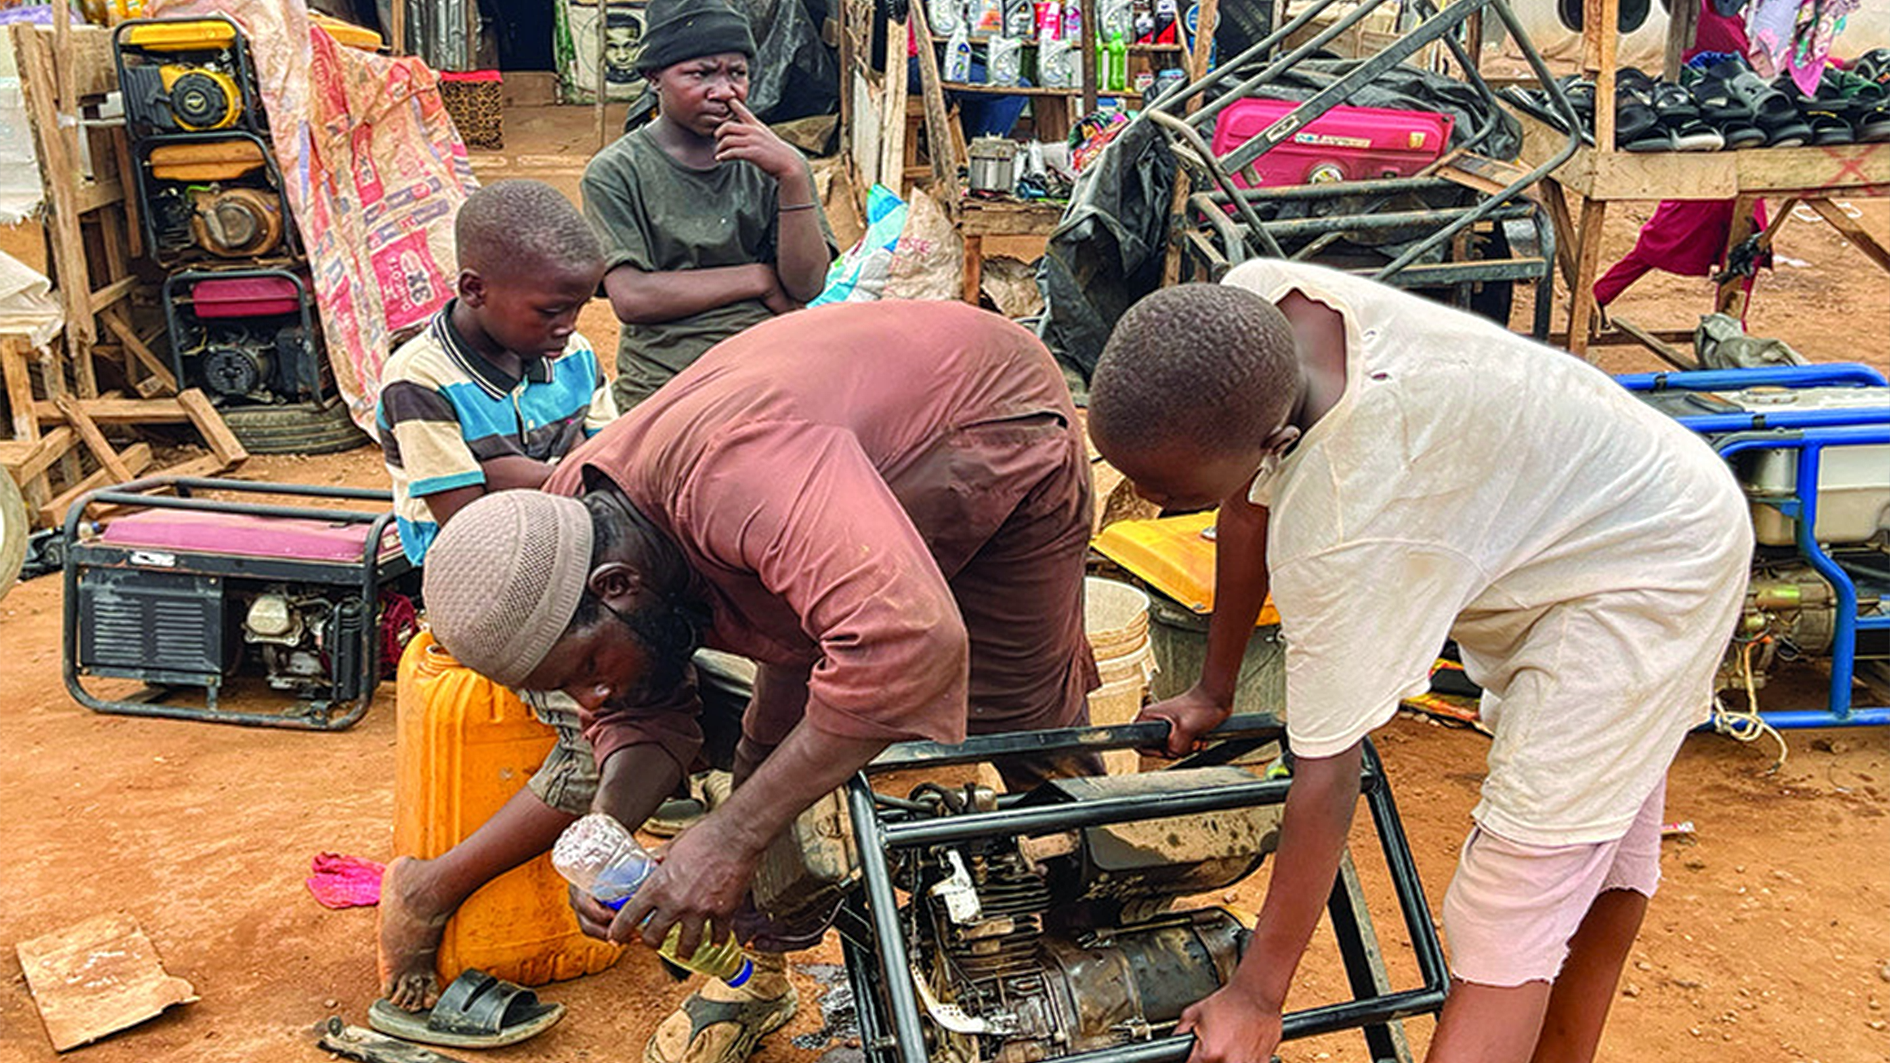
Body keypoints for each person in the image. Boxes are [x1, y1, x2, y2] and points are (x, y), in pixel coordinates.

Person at [1086, 262, 1750, 1063]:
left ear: (1271, 440)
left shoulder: (1346, 519)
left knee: (1513, 900)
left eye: (1165, 486)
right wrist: (1212, 688)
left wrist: (1258, 994)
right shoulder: (1254, 312)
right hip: (1602, 499)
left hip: (1647, 569)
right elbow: (1245, 503)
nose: (1147, 499)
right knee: (1592, 843)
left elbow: (1326, 778)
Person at [420, 299, 1100, 1063]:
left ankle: (1087, 931)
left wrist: (732, 835)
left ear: (616, 585)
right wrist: (611, 826)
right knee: (770, 752)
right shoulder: (566, 525)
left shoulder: (737, 475)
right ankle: (757, 974)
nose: (593, 702)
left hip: (989, 419)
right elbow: (645, 709)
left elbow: (911, 642)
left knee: (1026, 725)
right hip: (816, 482)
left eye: (585, 673)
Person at [372, 179, 621, 1013]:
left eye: (578, 308)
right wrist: (565, 477)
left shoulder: (572, 357)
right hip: (477, 590)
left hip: (580, 569)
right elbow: (471, 524)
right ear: (474, 288)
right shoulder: (420, 376)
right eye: (550, 310)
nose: (567, 329)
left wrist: (522, 471)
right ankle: (429, 889)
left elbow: (614, 474)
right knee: (597, 740)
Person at [581, 0, 836, 411]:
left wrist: (791, 178)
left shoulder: (776, 164)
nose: (724, 91)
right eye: (700, 74)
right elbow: (633, 298)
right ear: (653, 77)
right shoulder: (616, 172)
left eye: (737, 73)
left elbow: (807, 285)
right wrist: (758, 278)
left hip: (765, 368)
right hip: (666, 381)